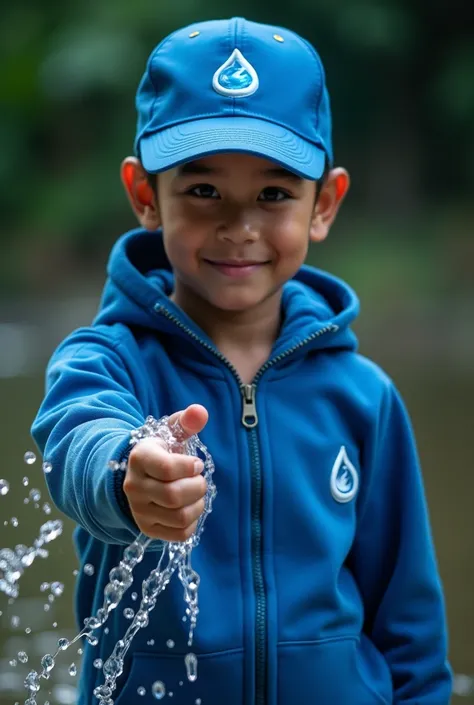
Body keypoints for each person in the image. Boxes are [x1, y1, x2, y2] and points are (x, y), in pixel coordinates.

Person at [32, 16, 452, 705]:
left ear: (325, 204)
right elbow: (76, 441)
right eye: (202, 191)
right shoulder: (106, 360)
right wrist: (127, 475)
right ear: (145, 196)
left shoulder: (364, 397)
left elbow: (409, 628)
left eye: (274, 193)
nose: (239, 225)